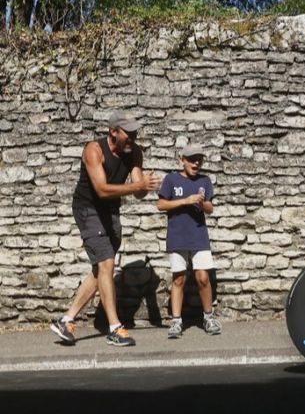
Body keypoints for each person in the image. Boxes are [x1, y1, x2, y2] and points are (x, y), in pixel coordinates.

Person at [50, 111, 160, 346]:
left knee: (101, 269)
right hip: (88, 209)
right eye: (128, 133)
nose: (133, 137)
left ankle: (66, 320)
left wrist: (145, 186)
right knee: (107, 263)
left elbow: (137, 191)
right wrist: (137, 186)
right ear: (113, 132)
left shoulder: (134, 152)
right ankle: (114, 328)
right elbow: (101, 189)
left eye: (134, 132)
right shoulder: (94, 150)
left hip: (110, 211)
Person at [156, 144, 221, 338]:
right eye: (192, 159)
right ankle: (176, 321)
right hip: (177, 236)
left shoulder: (205, 181)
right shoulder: (171, 179)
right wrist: (185, 200)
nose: (196, 163)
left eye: (199, 159)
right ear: (181, 159)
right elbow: (160, 204)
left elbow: (210, 208)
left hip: (199, 236)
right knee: (179, 279)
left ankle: (208, 317)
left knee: (202, 277)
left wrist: (202, 204)